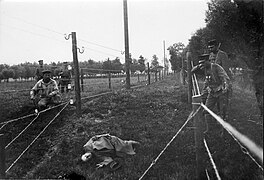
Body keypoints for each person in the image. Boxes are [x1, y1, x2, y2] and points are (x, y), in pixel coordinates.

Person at [192, 55, 230, 134]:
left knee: (222, 113)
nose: (201, 65)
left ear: (208, 61)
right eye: (200, 64)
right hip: (212, 93)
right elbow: (193, 71)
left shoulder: (216, 67)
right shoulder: (204, 68)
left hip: (222, 92)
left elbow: (225, 79)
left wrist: (223, 87)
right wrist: (199, 66)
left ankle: (223, 132)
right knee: (206, 110)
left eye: (203, 63)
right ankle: (209, 129)